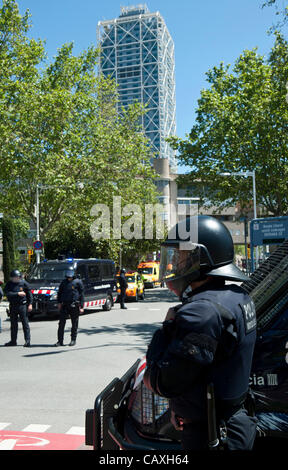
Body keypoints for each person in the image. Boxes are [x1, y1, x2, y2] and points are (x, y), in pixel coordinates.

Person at [144, 215, 258, 451]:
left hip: (212, 434)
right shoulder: (237, 297)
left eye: (182, 255)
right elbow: (212, 367)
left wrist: (165, 330)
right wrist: (183, 407)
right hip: (231, 422)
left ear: (202, 258)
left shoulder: (201, 312)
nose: (175, 262)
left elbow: (164, 382)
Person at [55, 267, 84, 346]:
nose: (69, 278)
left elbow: (81, 295)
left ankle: (73, 340)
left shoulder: (78, 282)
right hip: (64, 305)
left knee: (74, 324)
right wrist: (59, 303)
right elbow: (59, 293)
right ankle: (60, 341)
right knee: (61, 324)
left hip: (74, 305)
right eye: (68, 277)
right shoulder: (63, 282)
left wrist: (81, 306)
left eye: (70, 277)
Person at [4, 269, 33, 347]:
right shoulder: (9, 284)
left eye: (15, 277)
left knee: (25, 323)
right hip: (13, 306)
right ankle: (13, 341)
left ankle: (27, 341)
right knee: (13, 325)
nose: (14, 279)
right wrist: (18, 293)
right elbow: (8, 293)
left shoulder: (24, 283)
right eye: (12, 278)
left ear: (18, 277)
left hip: (22, 306)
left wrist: (30, 304)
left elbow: (29, 294)